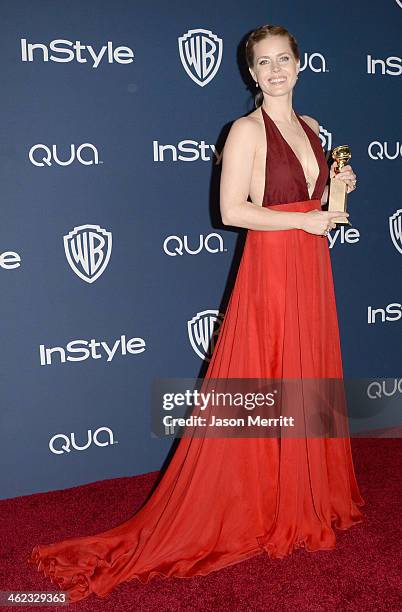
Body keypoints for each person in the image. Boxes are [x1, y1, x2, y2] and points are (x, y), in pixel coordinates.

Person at [28, 24, 364, 603]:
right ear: (251, 74)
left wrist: (339, 193)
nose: (276, 70)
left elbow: (316, 205)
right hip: (272, 271)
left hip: (310, 267)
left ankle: (302, 495)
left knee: (304, 379)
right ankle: (262, 502)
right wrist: (303, 221)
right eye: (265, 63)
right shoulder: (244, 130)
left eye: (284, 59)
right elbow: (233, 211)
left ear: (300, 65)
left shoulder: (311, 129)